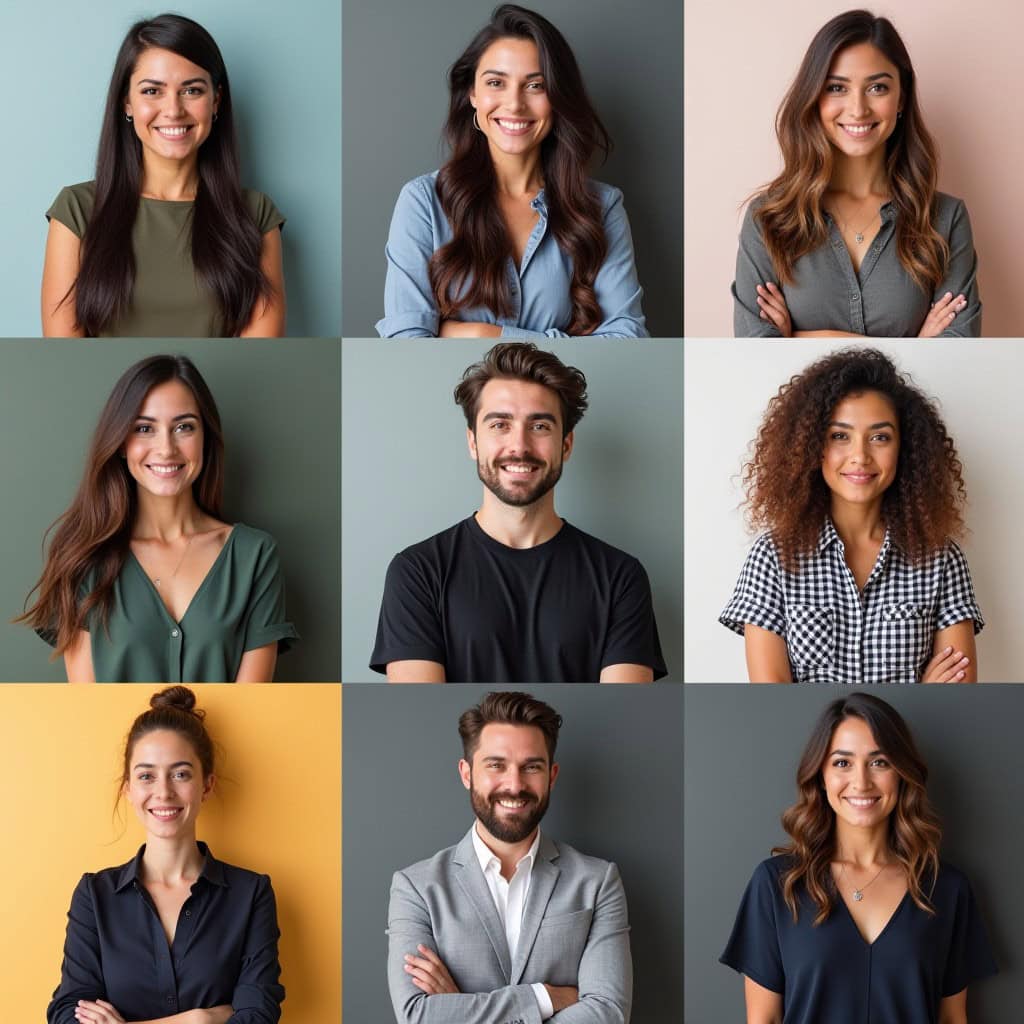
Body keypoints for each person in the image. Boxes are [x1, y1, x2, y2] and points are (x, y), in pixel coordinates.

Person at [370, 342, 665, 682]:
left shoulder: (621, 577)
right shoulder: (417, 572)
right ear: (472, 442)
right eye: (500, 425)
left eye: (540, 426)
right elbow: (423, 717)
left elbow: (623, 718)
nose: (520, 446)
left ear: (565, 445)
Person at [17, 354, 297, 682]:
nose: (166, 448)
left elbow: (253, 703)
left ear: (206, 438)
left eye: (183, 427)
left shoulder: (254, 555)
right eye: (144, 428)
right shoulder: (84, 558)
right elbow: (85, 705)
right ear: (121, 442)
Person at [721, 692, 996, 1023]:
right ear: (821, 776)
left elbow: (953, 1018)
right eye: (842, 763)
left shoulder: (947, 888)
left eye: (880, 762)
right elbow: (763, 1019)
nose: (861, 782)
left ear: (902, 774)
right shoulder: (778, 884)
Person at [377, 3, 646, 339]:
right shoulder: (423, 203)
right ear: (472, 93)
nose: (515, 103)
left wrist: (484, 335)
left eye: (536, 85)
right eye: (495, 83)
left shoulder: (602, 207)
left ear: (558, 98)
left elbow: (629, 338)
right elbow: (406, 344)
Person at [720, 348, 982, 683]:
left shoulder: (940, 557)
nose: (860, 456)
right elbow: (773, 702)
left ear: (906, 448)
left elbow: (959, 694)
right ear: (813, 447)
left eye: (880, 437)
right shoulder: (773, 557)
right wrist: (922, 690)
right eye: (840, 436)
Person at [387, 691, 632, 1023]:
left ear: (552, 776)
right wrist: (545, 996)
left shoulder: (598, 882)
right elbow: (416, 1015)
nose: (514, 785)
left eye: (531, 767)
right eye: (496, 765)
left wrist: (460, 1007)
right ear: (466, 773)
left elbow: (607, 1013)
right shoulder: (415, 888)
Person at [732, 10, 979, 339]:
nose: (858, 108)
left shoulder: (946, 220)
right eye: (837, 88)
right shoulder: (769, 219)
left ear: (901, 97)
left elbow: (959, 354)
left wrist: (800, 339)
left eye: (877, 87)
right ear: (814, 97)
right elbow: (753, 356)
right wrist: (916, 348)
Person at [47, 686, 284, 1024]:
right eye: (146, 775)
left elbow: (258, 1015)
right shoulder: (94, 895)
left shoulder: (251, 893)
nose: (163, 792)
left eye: (181, 773)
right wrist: (202, 1018)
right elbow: (66, 1015)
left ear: (206, 785)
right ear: (128, 788)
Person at [42, 14, 285, 337]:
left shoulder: (255, 215)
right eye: (152, 91)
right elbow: (63, 353)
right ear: (126, 102)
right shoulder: (77, 210)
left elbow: (262, 355)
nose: (173, 110)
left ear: (216, 100)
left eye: (192, 90)